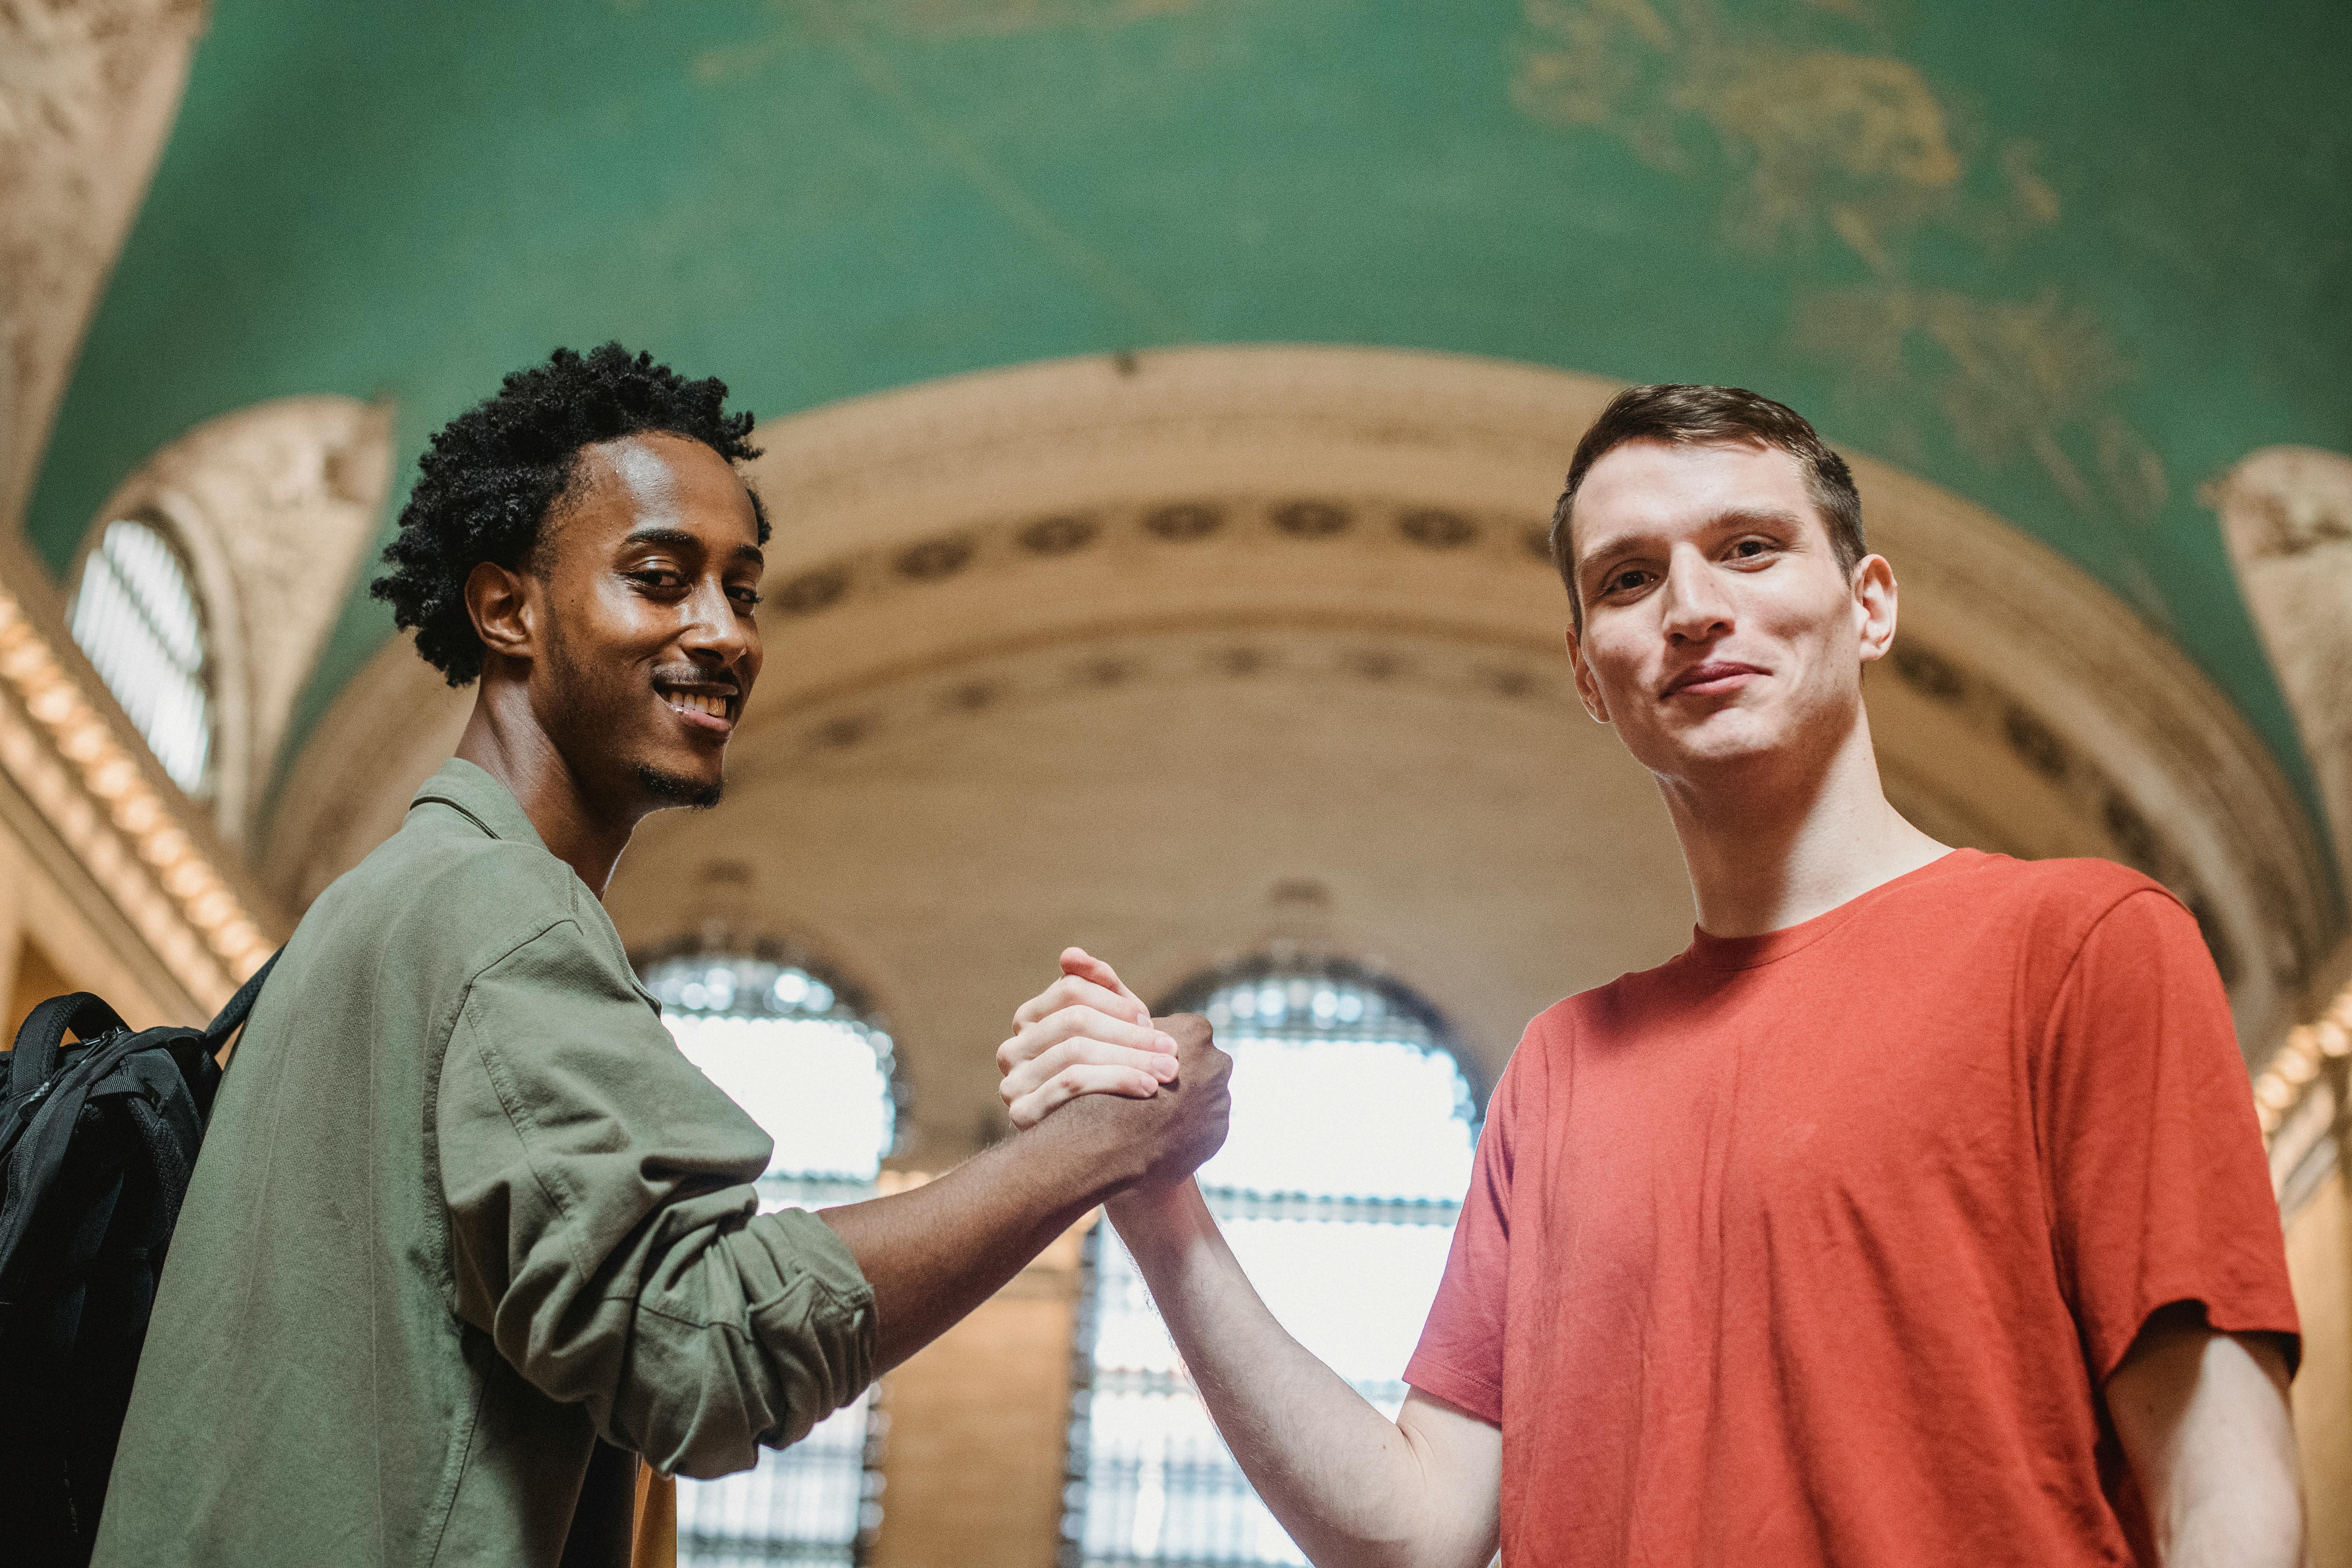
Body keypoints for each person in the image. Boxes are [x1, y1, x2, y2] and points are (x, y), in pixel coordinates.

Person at [997, 384, 2305, 1566]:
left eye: (1749, 547)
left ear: (1871, 604)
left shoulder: (2082, 947)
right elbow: (1418, 1529)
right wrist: (1155, 1203)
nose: (1692, 608)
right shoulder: (1563, 1067)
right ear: (1588, 674)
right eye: (1628, 580)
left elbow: (2225, 1500)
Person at [95, 344, 1229, 1568]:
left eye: (743, 592)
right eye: (658, 578)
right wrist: (1096, 1149)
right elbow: (706, 1349)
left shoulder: (384, 907)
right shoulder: (496, 917)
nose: (725, 633)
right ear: (505, 609)